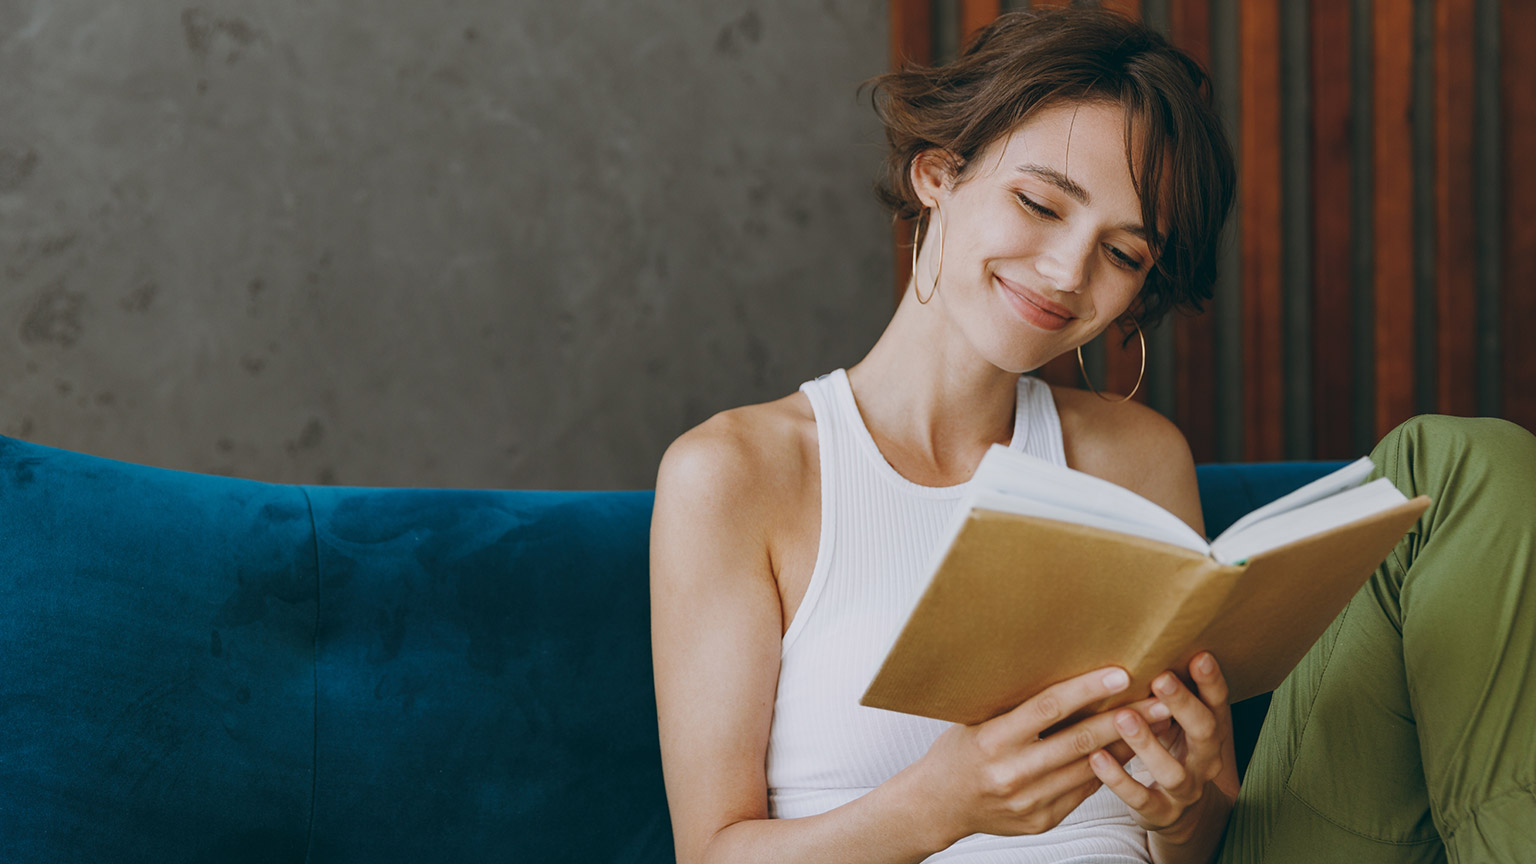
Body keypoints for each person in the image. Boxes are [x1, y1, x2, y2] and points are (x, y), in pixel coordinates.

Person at [650, 8, 1536, 864]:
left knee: (1464, 463)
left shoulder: (1137, 458)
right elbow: (715, 854)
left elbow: (1203, 832)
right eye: (1040, 203)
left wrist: (1185, 805)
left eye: (1123, 254)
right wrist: (938, 807)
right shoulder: (738, 475)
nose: (1068, 271)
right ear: (937, 175)